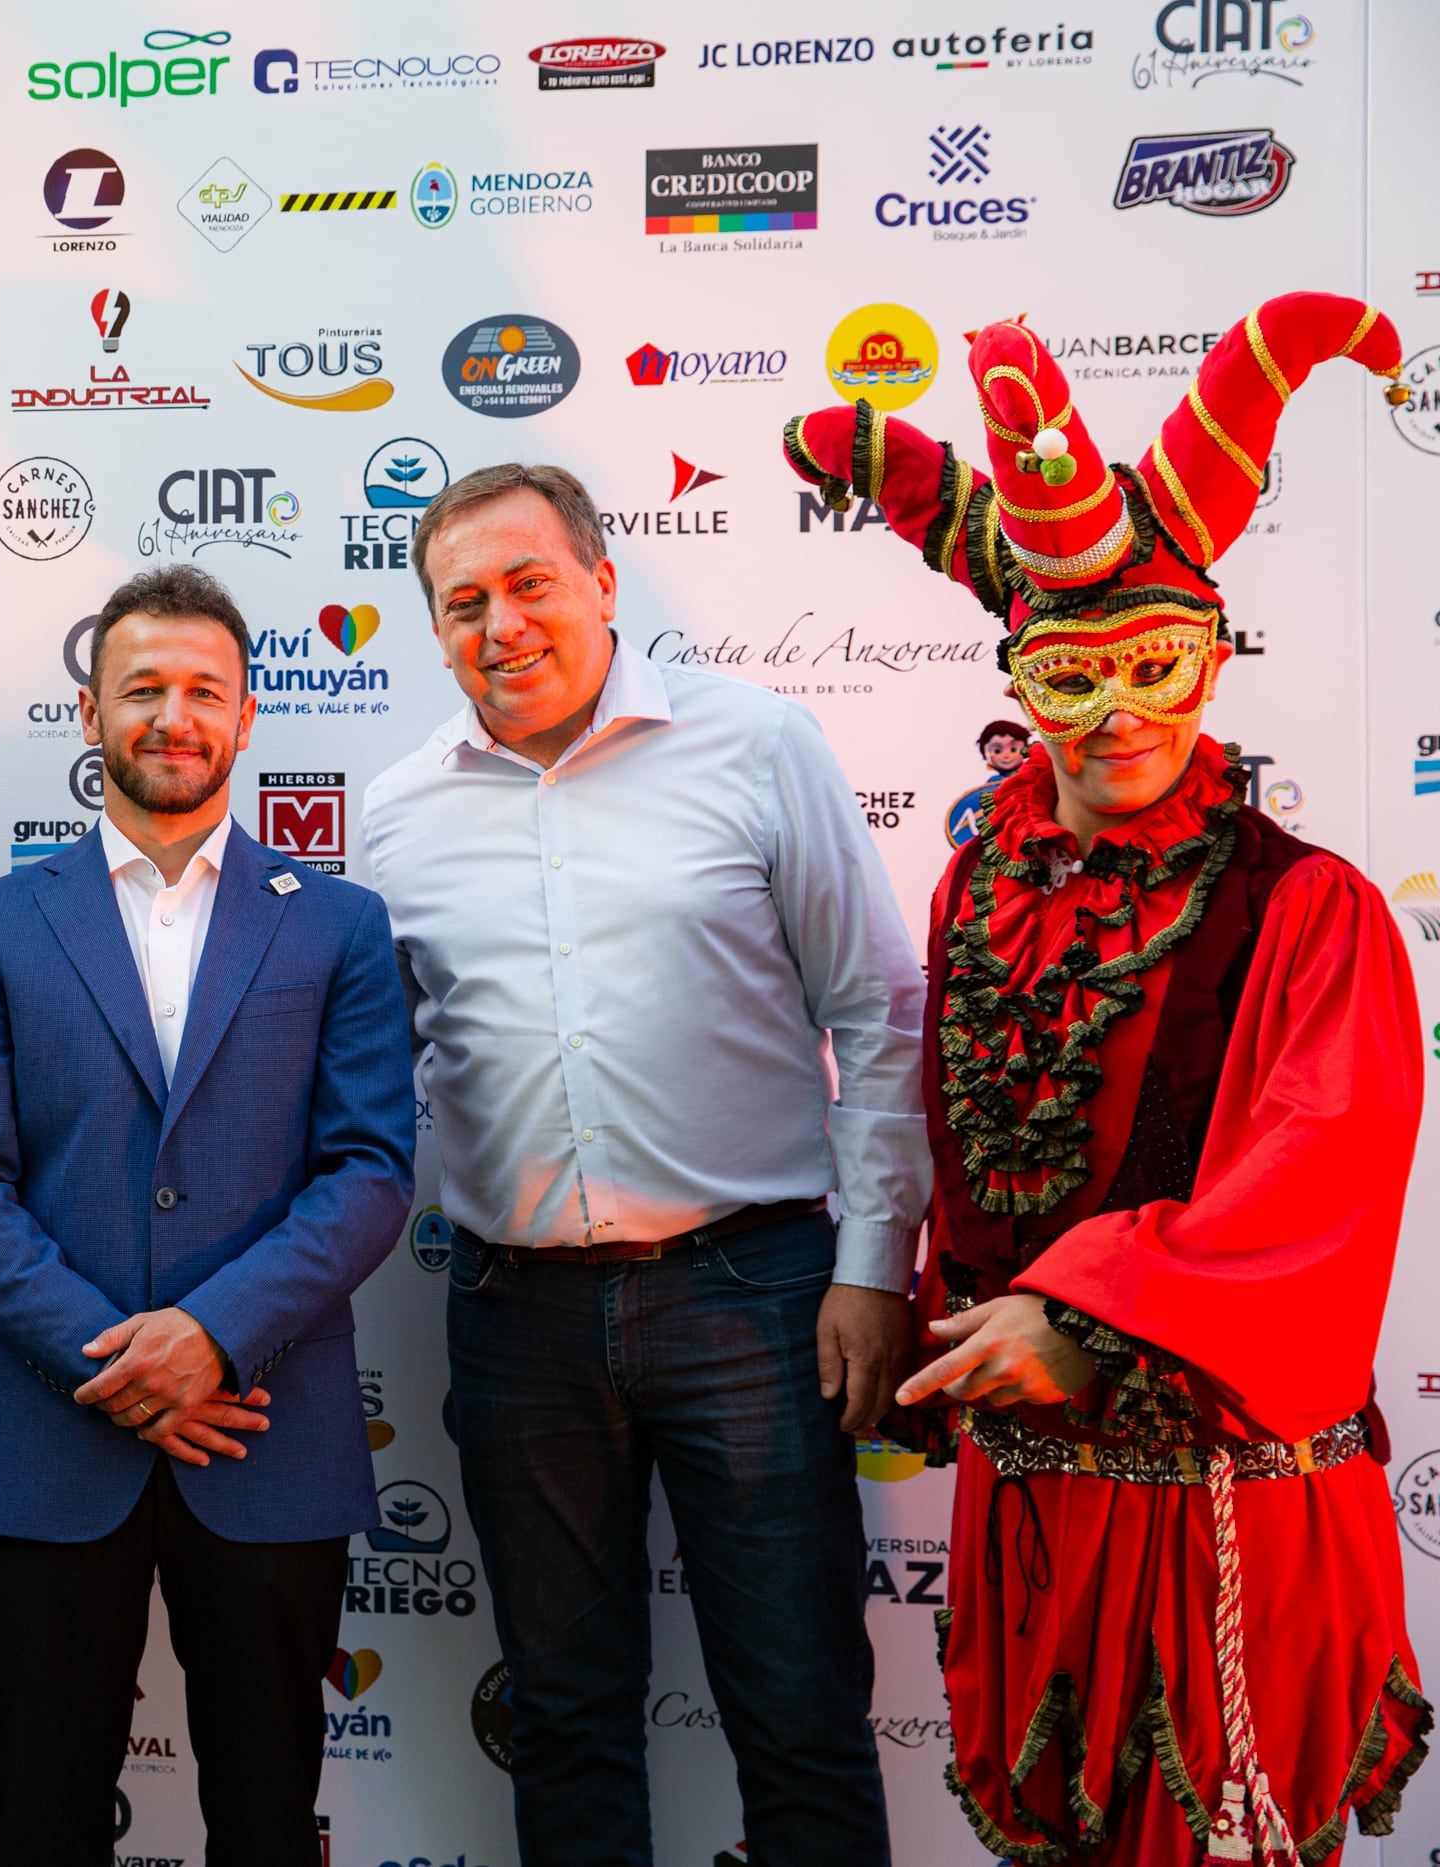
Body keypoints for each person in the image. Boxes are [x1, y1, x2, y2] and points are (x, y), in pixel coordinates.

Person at [787, 292, 1429, 1862]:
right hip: (1035, 1496)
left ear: (1212, 659)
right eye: (1079, 672)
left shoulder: (1310, 904)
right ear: (1023, 672)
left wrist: (1090, 1314)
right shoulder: (977, 885)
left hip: (1216, 1490)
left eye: (1158, 661)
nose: (1123, 712)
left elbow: (1318, 1178)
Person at [360, 462, 928, 1867]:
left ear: (606, 581)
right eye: (463, 601)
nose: (501, 624)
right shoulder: (397, 812)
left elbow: (876, 1008)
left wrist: (872, 1265)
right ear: (434, 629)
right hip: (516, 1315)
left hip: (755, 1292)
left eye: (530, 582)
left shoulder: (757, 743)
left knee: (797, 1708)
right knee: (563, 1716)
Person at [0, 564, 413, 1866]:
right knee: (47, 1819)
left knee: (264, 1817)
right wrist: (122, 1360)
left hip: (267, 1434)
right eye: (143, 688)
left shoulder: (341, 926)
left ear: (247, 717)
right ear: (90, 711)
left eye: (205, 690)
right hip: (52, 1440)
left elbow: (368, 1172)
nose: (173, 715)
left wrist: (210, 1332)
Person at [947, 718, 1035, 847]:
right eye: (997, 750)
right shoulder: (988, 790)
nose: (1006, 755)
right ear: (985, 753)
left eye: (1013, 749)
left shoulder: (1034, 778)